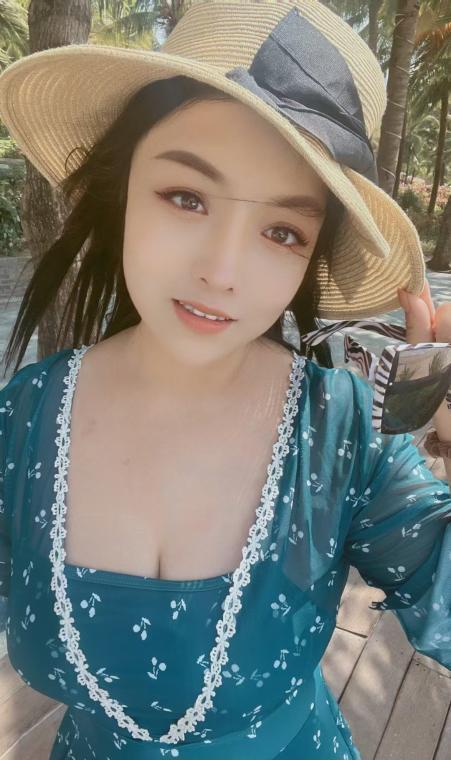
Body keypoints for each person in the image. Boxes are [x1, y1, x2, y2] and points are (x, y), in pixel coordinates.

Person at [0, 1, 449, 758]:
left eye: (282, 231)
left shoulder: (342, 434)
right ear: (120, 189)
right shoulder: (23, 418)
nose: (223, 271)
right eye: (186, 197)